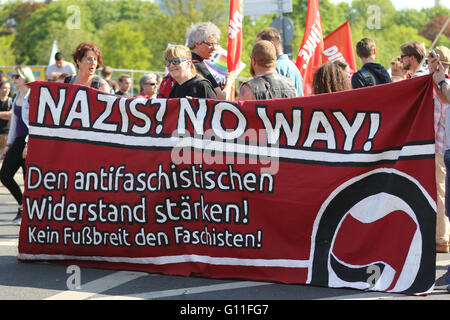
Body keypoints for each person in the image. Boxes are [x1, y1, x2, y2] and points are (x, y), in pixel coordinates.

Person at [0, 66, 34, 225]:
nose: (13, 79)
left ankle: (29, 214)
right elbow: (14, 123)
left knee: (30, 182)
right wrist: (8, 144)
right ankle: (22, 206)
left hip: (30, 143)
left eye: (16, 76)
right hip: (17, 142)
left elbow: (34, 124)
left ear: (25, 78)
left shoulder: (33, 95)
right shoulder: (16, 96)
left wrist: (28, 143)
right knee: (5, 175)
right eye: (12, 76)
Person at [429, 46, 450, 292]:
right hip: (443, 149)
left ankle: (442, 239)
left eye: (432, 61)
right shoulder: (440, 85)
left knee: (442, 195)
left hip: (440, 148)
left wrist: (439, 80)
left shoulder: (444, 85)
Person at [186, 22, 235, 100]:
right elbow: (222, 98)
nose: (214, 48)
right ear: (197, 44)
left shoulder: (184, 63)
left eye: (215, 44)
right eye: (210, 44)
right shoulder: (198, 66)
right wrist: (229, 81)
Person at [256, 27, 303, 96]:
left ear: (271, 44)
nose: (258, 50)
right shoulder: (293, 66)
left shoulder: (273, 68)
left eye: (260, 46)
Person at [0, 80, 12, 152]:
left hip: (6, 133)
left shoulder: (11, 101)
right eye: (4, 88)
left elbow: (11, 115)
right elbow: (8, 115)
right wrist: (6, 114)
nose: (6, 90)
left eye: (8, 88)